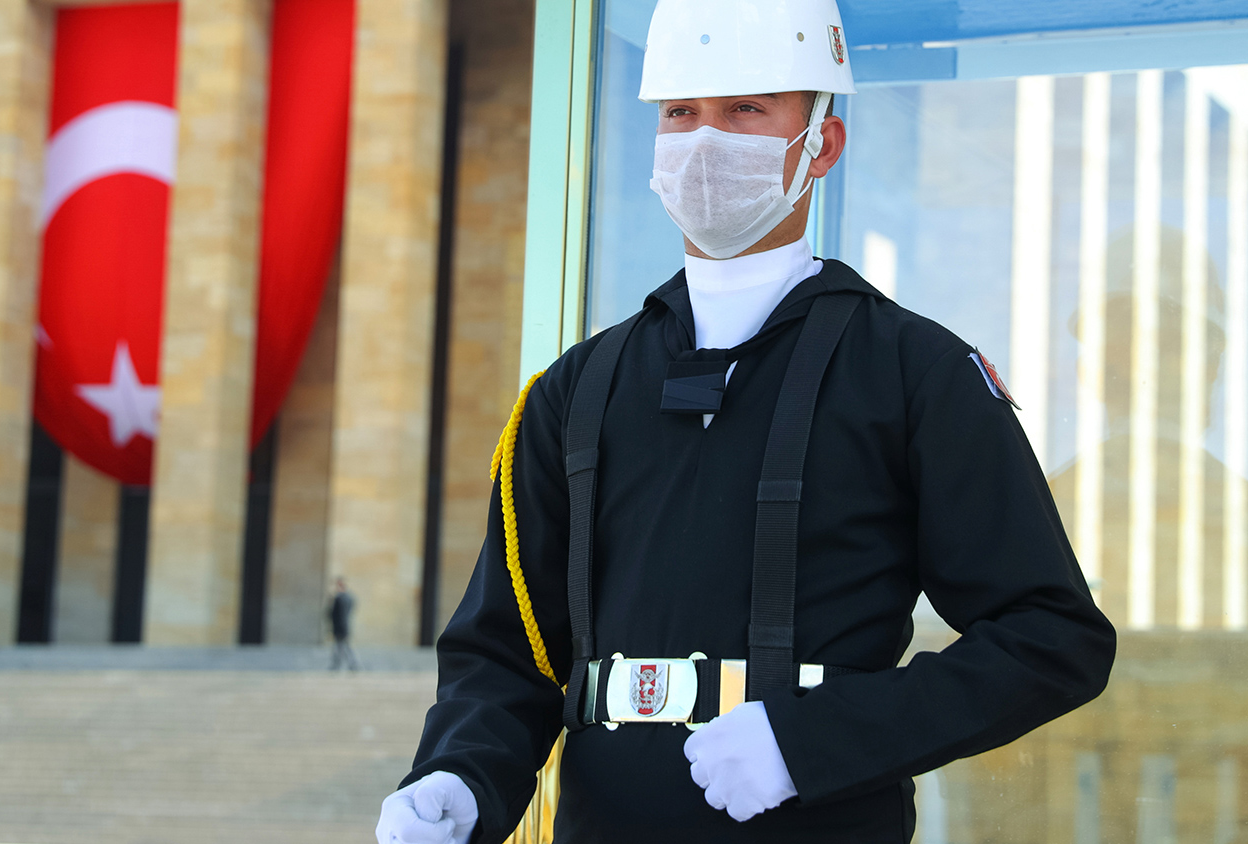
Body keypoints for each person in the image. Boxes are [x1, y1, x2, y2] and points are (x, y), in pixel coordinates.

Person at [375, 1, 1116, 843]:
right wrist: (461, 775)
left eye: (745, 110)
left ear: (821, 145)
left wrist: (813, 742)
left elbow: (1051, 637)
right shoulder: (574, 391)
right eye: (680, 113)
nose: (703, 142)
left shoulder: (917, 376)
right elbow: (510, 651)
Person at [328, 577, 359, 671]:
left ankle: (349, 664)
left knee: (342, 647)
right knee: (343, 647)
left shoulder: (340, 598)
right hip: (344, 626)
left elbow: (336, 615)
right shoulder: (349, 597)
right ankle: (351, 664)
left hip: (341, 627)